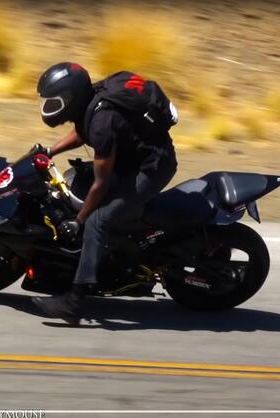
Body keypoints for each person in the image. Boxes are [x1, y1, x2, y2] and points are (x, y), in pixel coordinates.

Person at [31, 62, 179, 324]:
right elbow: (81, 131)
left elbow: (101, 183)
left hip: (152, 167)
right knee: (76, 181)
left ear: (71, 98)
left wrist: (78, 222)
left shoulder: (103, 120)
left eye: (55, 101)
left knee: (97, 220)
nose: (50, 107)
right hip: (133, 156)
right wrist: (51, 151)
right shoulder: (94, 100)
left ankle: (74, 303)